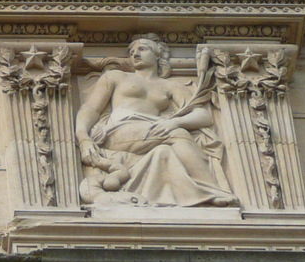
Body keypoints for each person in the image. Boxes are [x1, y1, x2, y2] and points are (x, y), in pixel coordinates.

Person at [74, 33, 236, 208]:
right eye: (131, 52)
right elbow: (90, 109)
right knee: (177, 134)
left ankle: (197, 192)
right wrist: (83, 138)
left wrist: (174, 122)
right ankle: (210, 189)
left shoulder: (171, 86)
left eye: (142, 49)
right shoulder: (116, 77)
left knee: (166, 148)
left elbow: (203, 115)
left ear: (158, 54)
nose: (135, 54)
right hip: (119, 130)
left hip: (153, 130)